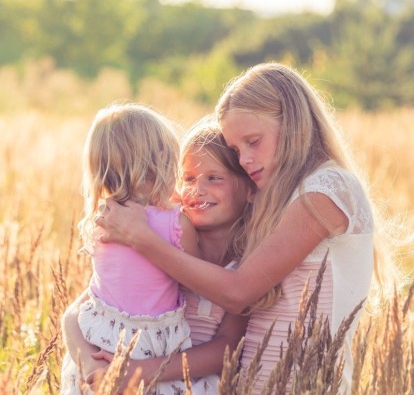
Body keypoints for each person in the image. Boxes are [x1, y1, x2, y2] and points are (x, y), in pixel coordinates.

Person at [95, 62, 393, 394]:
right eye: (237, 151)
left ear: (293, 123)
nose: (246, 159)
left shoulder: (327, 189)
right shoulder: (273, 199)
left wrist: (141, 238)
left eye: (253, 141)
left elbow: (238, 293)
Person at [61, 117, 254, 393]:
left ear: (249, 188)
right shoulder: (162, 231)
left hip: (166, 377)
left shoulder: (245, 268)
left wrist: (133, 372)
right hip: (109, 372)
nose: (196, 189)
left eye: (214, 178)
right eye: (187, 178)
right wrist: (93, 367)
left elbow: (227, 346)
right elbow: (74, 314)